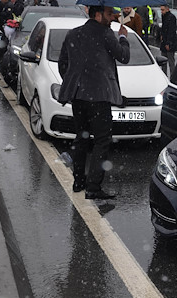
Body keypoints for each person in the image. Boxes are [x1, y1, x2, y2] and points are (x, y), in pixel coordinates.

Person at [57, 5, 130, 200]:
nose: (111, 17)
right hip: (99, 97)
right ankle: (93, 187)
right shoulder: (106, 34)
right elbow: (124, 56)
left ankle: (78, 181)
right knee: (102, 140)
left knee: (81, 138)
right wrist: (123, 37)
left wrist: (75, 82)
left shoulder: (73, 34)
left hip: (78, 96)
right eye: (108, 14)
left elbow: (62, 63)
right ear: (97, 15)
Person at [160, 4, 177, 75]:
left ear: (167, 9)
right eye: (161, 10)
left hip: (169, 43)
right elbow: (164, 29)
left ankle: (173, 77)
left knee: (171, 61)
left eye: (163, 10)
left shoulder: (171, 17)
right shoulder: (164, 16)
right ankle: (164, 75)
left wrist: (168, 43)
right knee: (163, 61)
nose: (161, 11)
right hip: (164, 41)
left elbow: (171, 31)